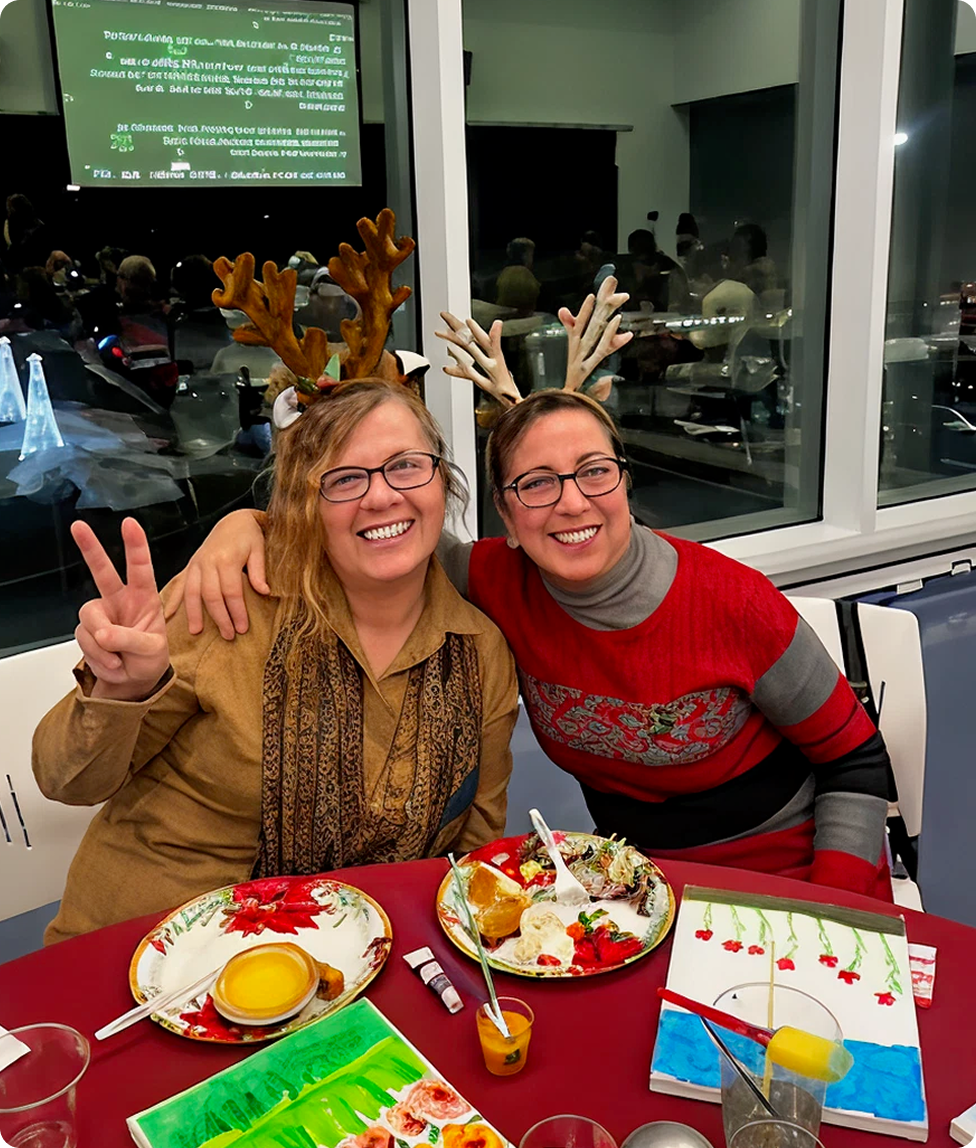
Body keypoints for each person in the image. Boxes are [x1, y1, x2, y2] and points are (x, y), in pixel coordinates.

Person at [174, 289, 893, 903]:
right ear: (507, 517)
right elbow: (375, 529)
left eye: (594, 472)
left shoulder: (733, 602)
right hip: (634, 888)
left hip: (789, 874)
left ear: (625, 482)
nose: (572, 503)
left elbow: (856, 761)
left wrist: (832, 906)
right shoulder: (493, 581)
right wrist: (248, 525)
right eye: (537, 484)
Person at [32, 379, 519, 943]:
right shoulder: (230, 600)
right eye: (345, 479)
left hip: (348, 957)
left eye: (406, 466)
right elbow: (66, 780)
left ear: (442, 480)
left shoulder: (479, 654)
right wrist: (120, 693)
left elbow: (475, 857)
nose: (381, 496)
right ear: (306, 504)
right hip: (150, 950)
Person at [495, 238, 541, 317]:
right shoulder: (522, 274)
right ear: (524, 256)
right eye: (531, 255)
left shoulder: (505, 272)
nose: (532, 259)